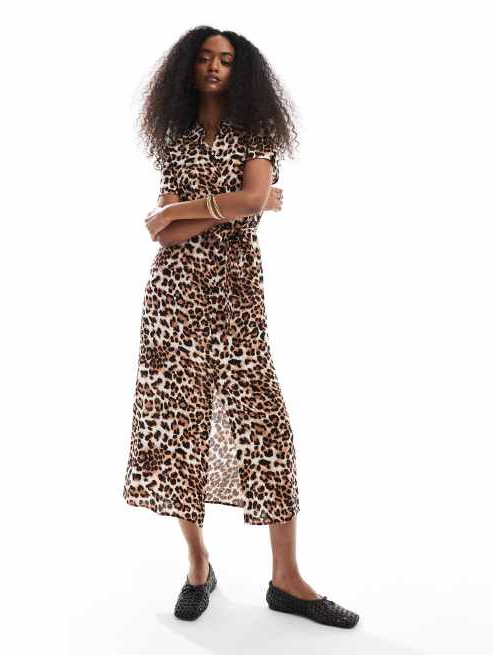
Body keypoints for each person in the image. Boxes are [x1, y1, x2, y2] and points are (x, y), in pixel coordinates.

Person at [122, 26, 359, 628]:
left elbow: (243, 202)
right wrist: (222, 207)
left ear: (240, 71)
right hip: (172, 299)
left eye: (226, 60)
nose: (214, 67)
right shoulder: (174, 135)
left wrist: (185, 209)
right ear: (187, 66)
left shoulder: (256, 132)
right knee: (178, 426)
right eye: (205, 57)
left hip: (236, 296)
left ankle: (287, 579)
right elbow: (166, 234)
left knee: (266, 424)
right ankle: (198, 566)